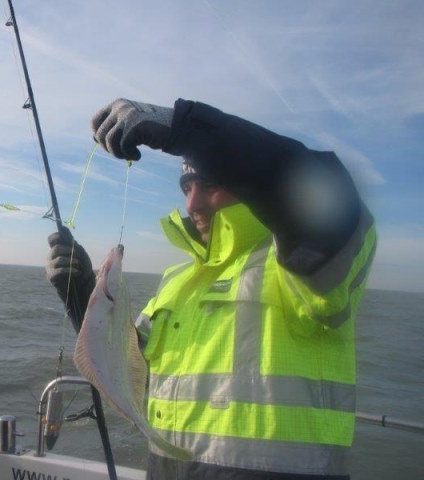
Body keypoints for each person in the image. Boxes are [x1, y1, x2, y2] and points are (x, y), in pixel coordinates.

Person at [47, 98, 376, 480]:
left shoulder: (302, 265)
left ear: (249, 183)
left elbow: (324, 196)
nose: (192, 204)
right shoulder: (177, 281)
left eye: (211, 185)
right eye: (187, 186)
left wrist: (191, 129)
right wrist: (84, 292)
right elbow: (130, 363)